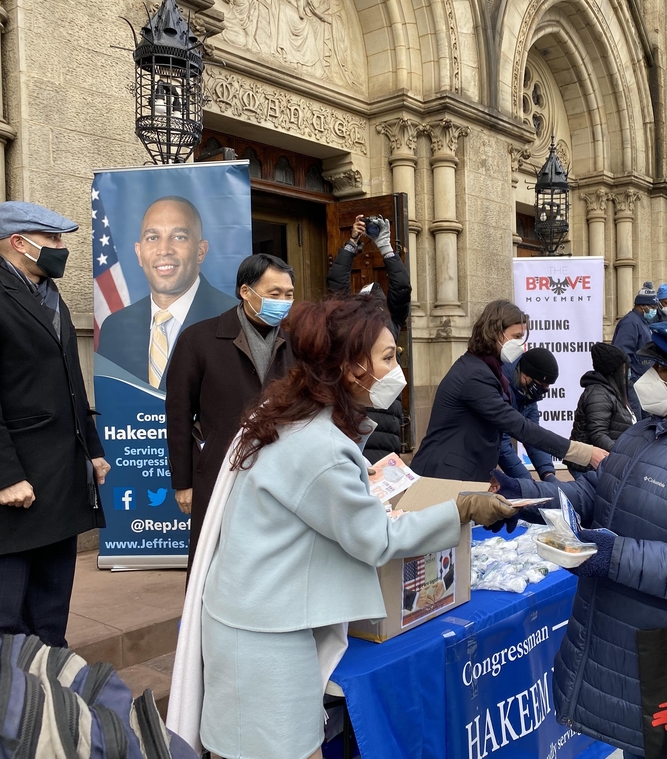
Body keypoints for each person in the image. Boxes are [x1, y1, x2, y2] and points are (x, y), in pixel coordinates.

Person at [182, 296, 514, 759]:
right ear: (352, 368)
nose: (397, 368)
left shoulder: (287, 416)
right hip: (264, 638)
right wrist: (459, 510)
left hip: (250, 619)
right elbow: (377, 539)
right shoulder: (319, 448)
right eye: (388, 357)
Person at [492, 321, 667, 758]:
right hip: (629, 649)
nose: (646, 379)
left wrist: (611, 555)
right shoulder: (648, 430)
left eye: (662, 369)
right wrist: (526, 498)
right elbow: (596, 493)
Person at [0, 201, 110, 647]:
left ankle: (50, 692)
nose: (61, 248)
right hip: (18, 482)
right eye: (52, 239)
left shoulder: (51, 297)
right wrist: (6, 477)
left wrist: (93, 450)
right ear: (18, 243)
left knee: (51, 612)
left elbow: (73, 381)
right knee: (3, 619)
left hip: (62, 474)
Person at [165, 253, 297, 570]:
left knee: (273, 562)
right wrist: (183, 483)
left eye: (289, 294)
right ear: (245, 291)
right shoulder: (199, 339)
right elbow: (179, 416)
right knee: (215, 561)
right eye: (274, 293)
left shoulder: (297, 344)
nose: (283, 301)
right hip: (220, 472)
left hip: (283, 475)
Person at [411, 300, 606, 482]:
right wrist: (584, 453)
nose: (521, 345)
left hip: (462, 475)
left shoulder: (487, 370)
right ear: (495, 333)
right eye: (516, 337)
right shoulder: (476, 375)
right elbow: (518, 427)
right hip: (442, 477)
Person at [97, 196, 237, 389]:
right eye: (153, 238)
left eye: (179, 237)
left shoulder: (236, 319)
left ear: (201, 251)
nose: (163, 250)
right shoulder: (115, 327)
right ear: (139, 253)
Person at [327, 215, 412, 463]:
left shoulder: (390, 323)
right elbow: (336, 286)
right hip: (357, 408)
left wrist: (383, 244)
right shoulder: (351, 327)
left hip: (384, 411)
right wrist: (354, 241)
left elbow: (402, 289)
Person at [566, 342, 636, 477]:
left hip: (604, 464)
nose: (628, 373)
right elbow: (598, 434)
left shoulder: (612, 392)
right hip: (589, 466)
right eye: (625, 369)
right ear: (614, 371)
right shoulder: (599, 393)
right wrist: (621, 454)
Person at [497, 347, 561, 482]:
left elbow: (534, 435)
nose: (546, 390)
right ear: (525, 376)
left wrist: (548, 473)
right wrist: (527, 481)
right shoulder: (500, 388)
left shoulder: (528, 394)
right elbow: (501, 444)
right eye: (543, 384)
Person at [612, 280, 660, 417]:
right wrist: (627, 380)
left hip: (642, 382)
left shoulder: (642, 322)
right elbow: (621, 353)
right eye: (652, 307)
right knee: (635, 420)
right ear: (642, 306)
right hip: (631, 382)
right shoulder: (631, 323)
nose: (654, 310)